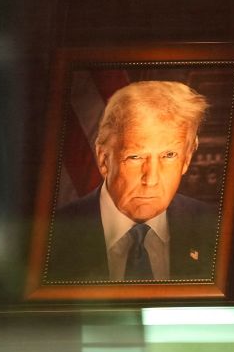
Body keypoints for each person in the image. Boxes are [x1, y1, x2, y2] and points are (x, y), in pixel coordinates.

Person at [45, 81, 218, 282]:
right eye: (135, 157)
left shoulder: (216, 228)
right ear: (104, 160)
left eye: (169, 155)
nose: (151, 179)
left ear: (187, 159)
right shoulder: (51, 234)